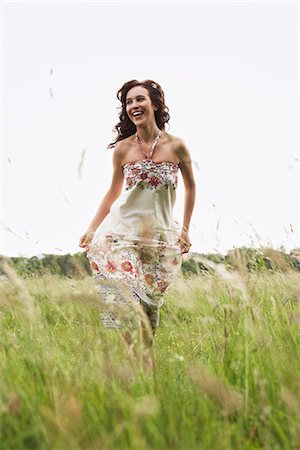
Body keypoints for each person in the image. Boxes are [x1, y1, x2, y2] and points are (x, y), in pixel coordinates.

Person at [79, 79, 196, 349]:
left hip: (160, 235)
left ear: (154, 104)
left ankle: (144, 357)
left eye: (139, 99)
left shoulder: (177, 146)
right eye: (129, 102)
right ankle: (129, 350)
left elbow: (191, 188)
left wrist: (186, 230)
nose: (134, 105)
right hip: (122, 232)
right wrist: (91, 228)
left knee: (150, 305)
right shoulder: (122, 149)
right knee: (124, 292)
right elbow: (112, 193)